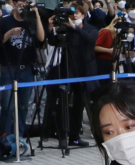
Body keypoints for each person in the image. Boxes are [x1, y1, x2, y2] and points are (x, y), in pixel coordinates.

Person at [46, 4, 98, 147]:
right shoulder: (65, 29)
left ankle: (75, 136)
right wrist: (50, 28)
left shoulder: (90, 28)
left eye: (78, 14)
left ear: (83, 15)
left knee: (79, 105)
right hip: (68, 69)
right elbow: (52, 41)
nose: (74, 16)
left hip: (85, 71)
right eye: (72, 15)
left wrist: (74, 27)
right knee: (64, 104)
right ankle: (62, 135)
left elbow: (90, 39)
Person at [0, 0, 45, 141]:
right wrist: (9, 33)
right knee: (7, 105)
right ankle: (5, 136)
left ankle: (19, 135)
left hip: (27, 69)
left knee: (23, 106)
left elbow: (41, 39)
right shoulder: (5, 22)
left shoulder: (31, 22)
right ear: (14, 4)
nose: (23, 4)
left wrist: (37, 16)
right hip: (9, 68)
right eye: (20, 1)